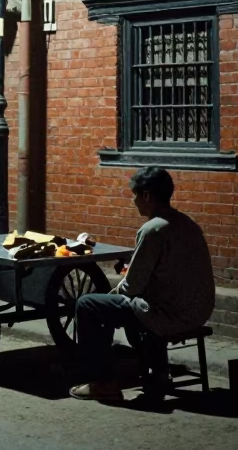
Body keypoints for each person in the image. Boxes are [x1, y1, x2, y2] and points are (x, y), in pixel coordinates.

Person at [69, 166, 215, 403]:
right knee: (120, 306)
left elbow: (132, 287)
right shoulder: (188, 224)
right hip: (197, 311)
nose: (134, 201)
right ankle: (156, 371)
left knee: (89, 305)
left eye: (135, 195)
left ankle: (102, 382)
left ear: (146, 195)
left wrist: (110, 295)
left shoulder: (152, 230)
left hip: (167, 314)